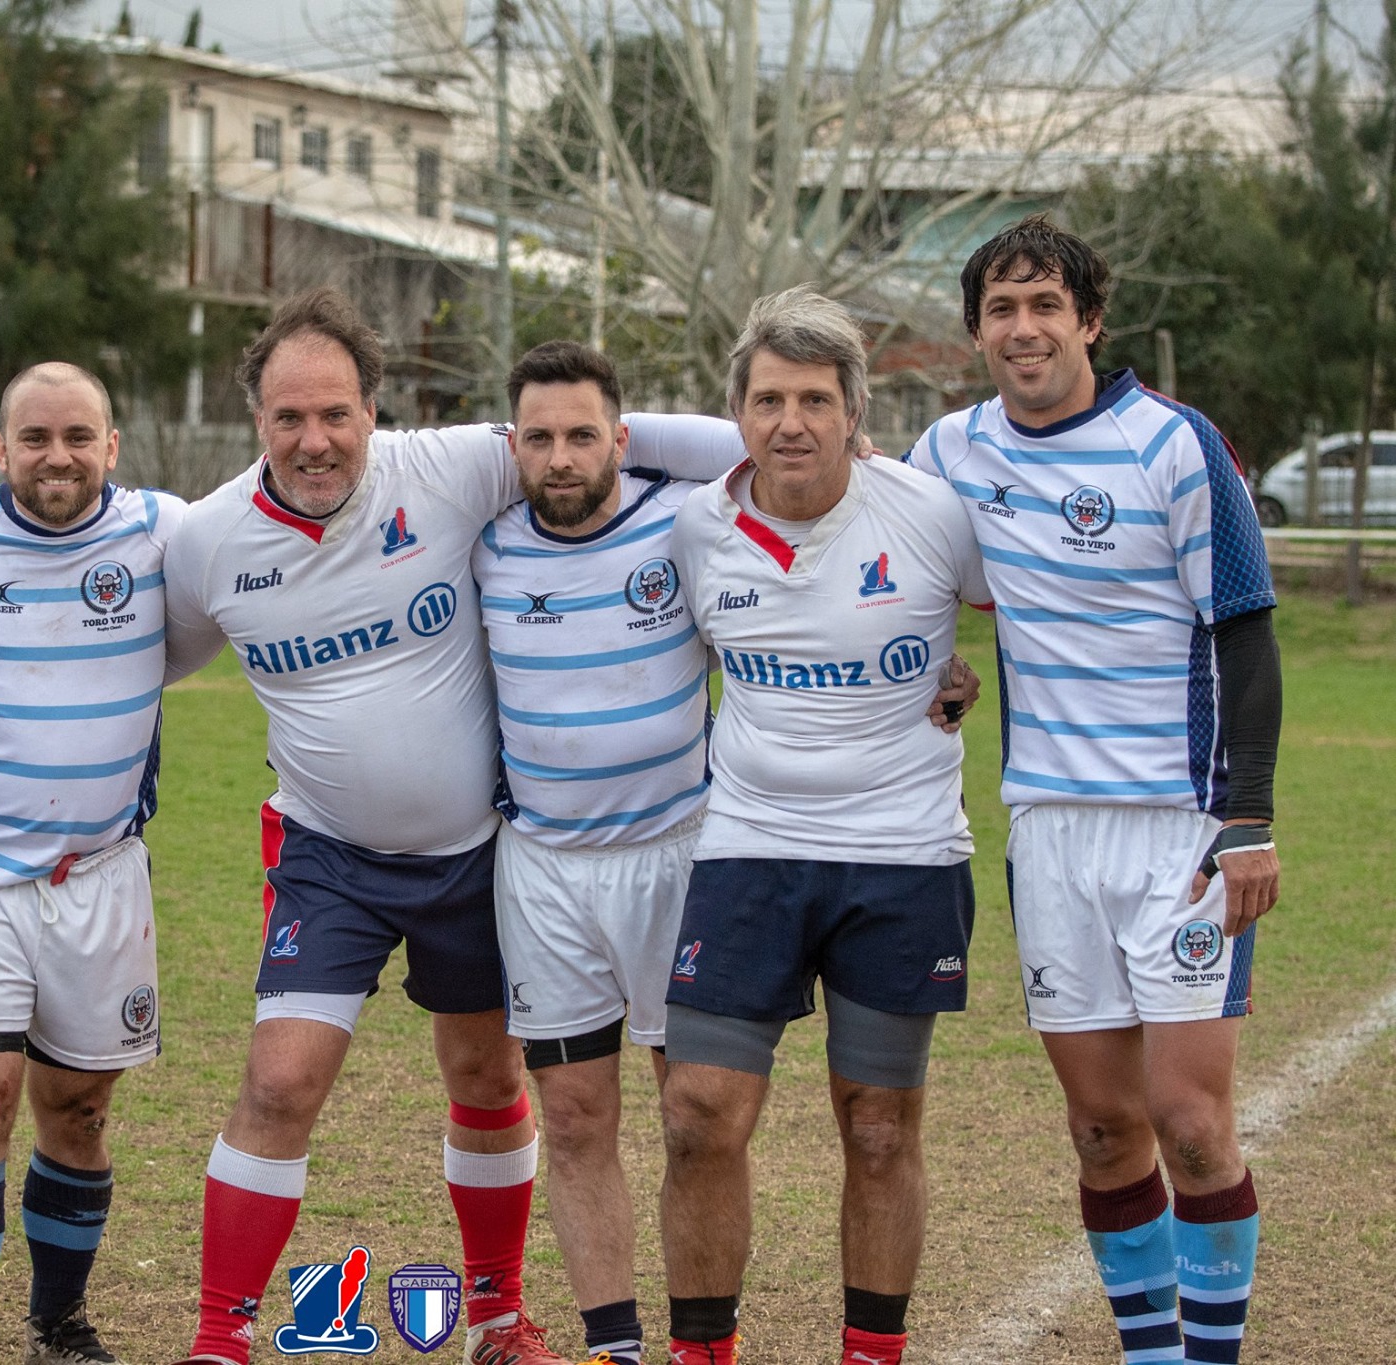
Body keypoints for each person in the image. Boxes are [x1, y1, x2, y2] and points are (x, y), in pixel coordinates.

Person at [159, 289, 751, 1365]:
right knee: (279, 1080)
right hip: (325, 857)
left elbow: (673, 445)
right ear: (255, 418)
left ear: (373, 411)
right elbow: (139, 662)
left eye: (334, 413)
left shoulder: (451, 468)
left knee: (486, 1080)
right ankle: (218, 1336)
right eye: (288, 417)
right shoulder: (204, 543)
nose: (313, 440)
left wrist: (778, 437)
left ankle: (494, 1317)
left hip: (480, 855)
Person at [906, 214, 1282, 1365]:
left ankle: (1206, 1357)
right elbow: (896, 565)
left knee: (1189, 1125)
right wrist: (942, 659)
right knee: (1101, 1125)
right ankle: (1150, 1353)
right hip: (1048, 829)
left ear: (1088, 320)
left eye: (1043, 305)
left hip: (1177, 825)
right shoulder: (949, 451)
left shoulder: (1170, 445)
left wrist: (1247, 818)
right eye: (1000, 309)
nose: (1023, 328)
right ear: (975, 332)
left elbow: (1244, 631)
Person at [662, 286, 993, 1365]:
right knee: (698, 1116)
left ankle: (870, 1353)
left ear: (854, 412)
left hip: (899, 860)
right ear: (738, 415)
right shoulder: (694, 528)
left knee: (879, 1128)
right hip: (745, 850)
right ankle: (704, 1350)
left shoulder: (932, 515)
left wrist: (965, 678)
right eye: (767, 400)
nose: (788, 423)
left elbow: (1033, 618)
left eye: (812, 399)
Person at [0, 362, 185, 1365]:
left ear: (111, 446)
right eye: (34, 437)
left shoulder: (163, 533)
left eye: (77, 436)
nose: (55, 455)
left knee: (80, 1112)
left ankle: (57, 1321)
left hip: (103, 875)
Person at [469, 340, 708, 1365]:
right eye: (537, 437)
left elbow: (775, 444)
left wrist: (643, 430)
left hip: (681, 856)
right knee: (570, 1117)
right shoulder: (480, 541)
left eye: (582, 435)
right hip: (544, 871)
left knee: (695, 1114)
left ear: (620, 437)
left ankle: (705, 1340)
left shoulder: (686, 516)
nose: (558, 458)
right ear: (508, 445)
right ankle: (615, 1346)